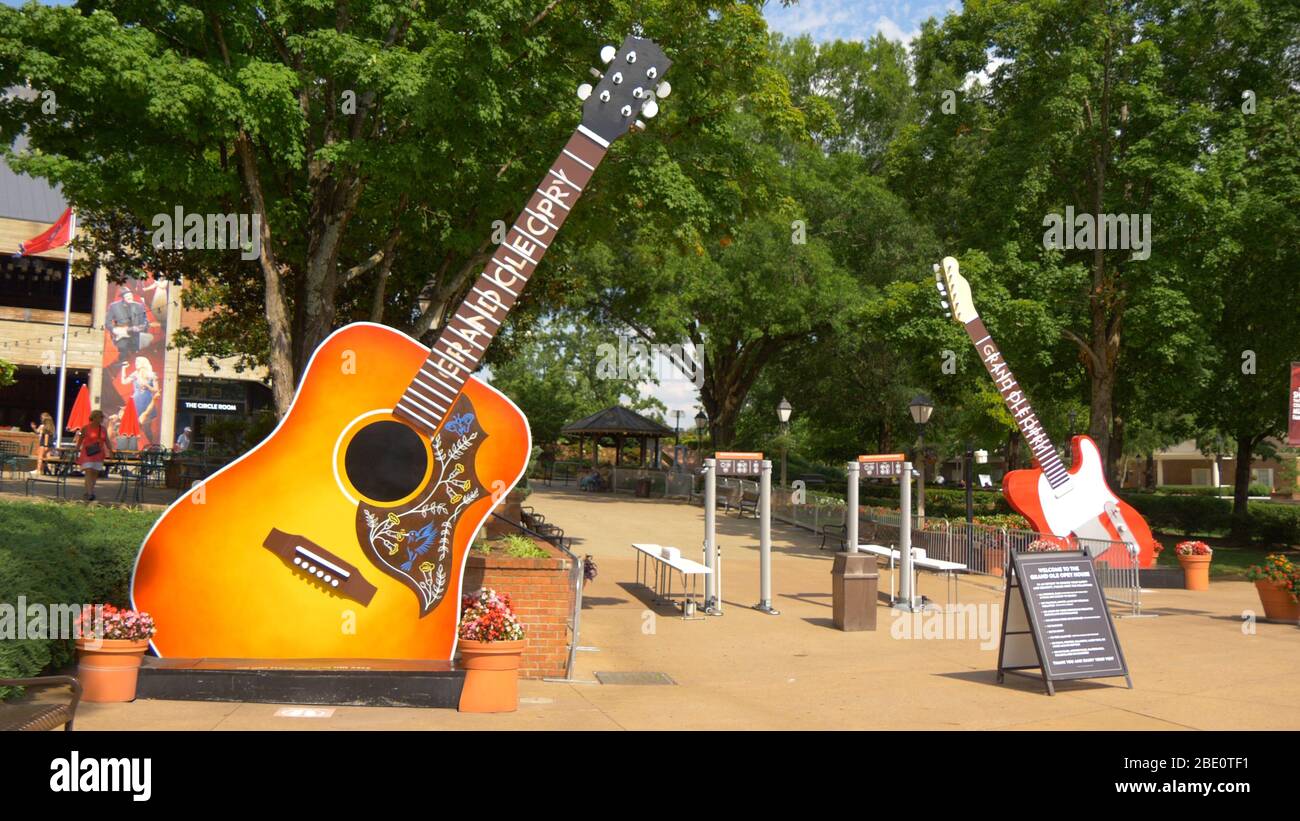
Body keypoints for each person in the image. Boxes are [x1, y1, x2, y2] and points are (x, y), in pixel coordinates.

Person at [74, 409, 113, 502]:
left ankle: (89, 491)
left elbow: (106, 440)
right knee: (88, 471)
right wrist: (76, 449)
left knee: (95, 473)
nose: (102, 419)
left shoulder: (103, 429)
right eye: (101, 417)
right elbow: (80, 440)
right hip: (87, 453)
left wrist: (111, 450)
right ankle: (90, 493)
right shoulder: (85, 428)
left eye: (102, 417)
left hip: (99, 454)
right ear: (94, 417)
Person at [106, 288, 153, 363]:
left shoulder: (139, 306)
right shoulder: (114, 306)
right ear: (122, 297)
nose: (129, 297)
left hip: (135, 336)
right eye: (127, 296)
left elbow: (145, 320)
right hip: (121, 336)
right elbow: (107, 322)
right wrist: (115, 330)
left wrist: (143, 326)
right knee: (122, 357)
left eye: (130, 295)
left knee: (135, 358)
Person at [120, 356, 160, 439]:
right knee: (133, 423)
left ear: (143, 363)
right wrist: (123, 369)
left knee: (146, 425)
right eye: (135, 362)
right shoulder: (135, 374)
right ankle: (134, 441)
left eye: (137, 362)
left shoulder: (152, 375)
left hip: (147, 401)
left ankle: (149, 444)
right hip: (136, 401)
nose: (136, 364)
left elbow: (156, 390)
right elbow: (124, 382)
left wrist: (147, 385)